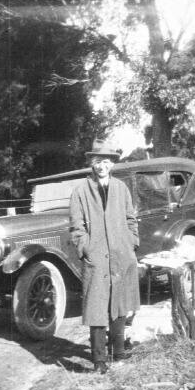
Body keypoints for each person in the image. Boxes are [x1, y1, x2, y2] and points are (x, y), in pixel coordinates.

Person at [69, 139, 140, 374]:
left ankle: (118, 351)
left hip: (121, 254)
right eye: (98, 161)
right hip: (97, 257)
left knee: (119, 304)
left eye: (106, 161)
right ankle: (99, 360)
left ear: (113, 164)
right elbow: (76, 227)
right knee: (97, 307)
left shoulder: (121, 188)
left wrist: (132, 241)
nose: (102, 166)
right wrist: (86, 248)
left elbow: (131, 218)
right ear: (92, 163)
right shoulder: (81, 191)